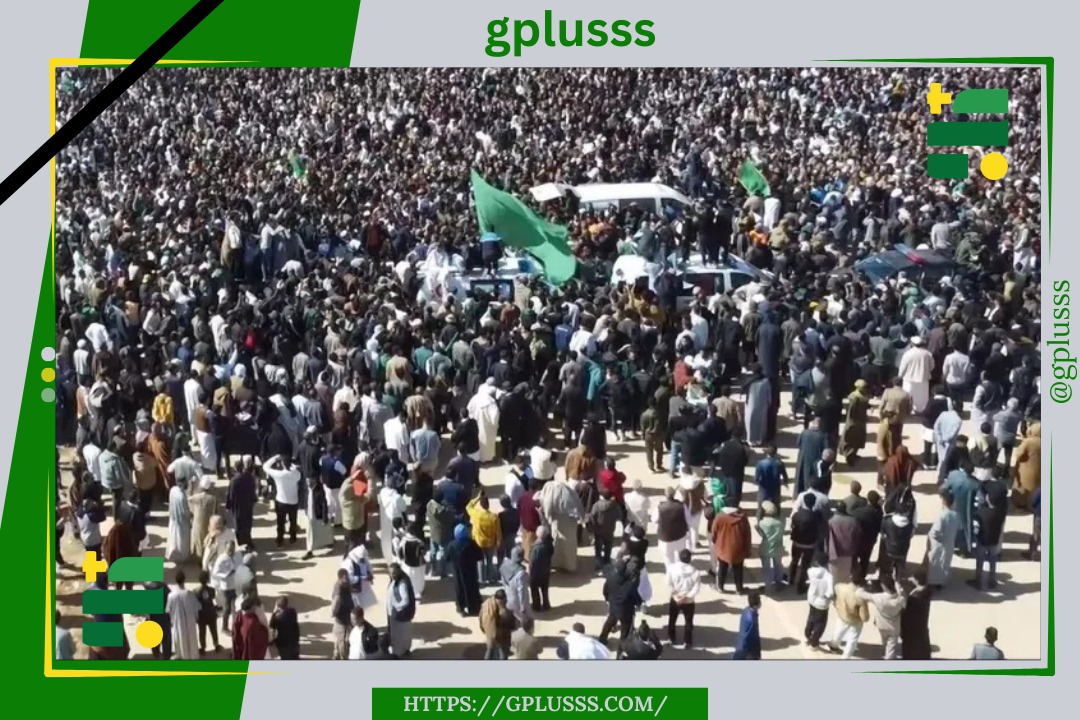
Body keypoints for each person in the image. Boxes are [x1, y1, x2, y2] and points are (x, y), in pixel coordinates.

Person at [858, 574, 907, 660]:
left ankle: (886, 653)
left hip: (881, 625)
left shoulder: (877, 597)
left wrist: (864, 585)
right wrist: (898, 587)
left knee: (885, 642)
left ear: (884, 586)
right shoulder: (900, 599)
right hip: (894, 627)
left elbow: (859, 593)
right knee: (891, 647)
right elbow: (904, 602)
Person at [599, 557, 641, 648]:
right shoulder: (629, 583)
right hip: (626, 611)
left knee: (609, 622)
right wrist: (638, 603)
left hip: (613, 607)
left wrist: (608, 599)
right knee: (625, 629)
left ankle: (602, 638)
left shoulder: (610, 579)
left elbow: (605, 591)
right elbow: (635, 597)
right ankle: (622, 647)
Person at [829, 571, 870, 659]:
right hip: (855, 620)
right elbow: (865, 617)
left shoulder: (840, 587)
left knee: (838, 631)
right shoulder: (861, 596)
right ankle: (846, 657)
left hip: (842, 615)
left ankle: (833, 645)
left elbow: (835, 587)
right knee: (852, 639)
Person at [711, 502, 751, 593]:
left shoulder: (720, 517)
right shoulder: (743, 517)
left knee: (722, 568)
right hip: (739, 547)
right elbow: (747, 534)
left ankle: (720, 587)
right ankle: (739, 589)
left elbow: (714, 532)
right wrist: (747, 548)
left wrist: (715, 541)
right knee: (738, 569)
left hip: (723, 547)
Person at [264, 454, 302, 547]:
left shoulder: (279, 475)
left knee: (280, 522)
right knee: (293, 521)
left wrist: (275, 458)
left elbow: (265, 466)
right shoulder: (296, 474)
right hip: (293, 501)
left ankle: (280, 539)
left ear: (282, 464)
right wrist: (292, 465)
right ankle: (293, 537)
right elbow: (297, 471)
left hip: (281, 501)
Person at [665, 548, 700, 648]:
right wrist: (687, 596)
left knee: (672, 619)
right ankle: (687, 641)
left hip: (675, 598)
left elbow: (668, 583)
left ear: (679, 558)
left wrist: (675, 594)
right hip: (689, 601)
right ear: (690, 559)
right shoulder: (695, 572)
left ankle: (671, 638)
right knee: (688, 621)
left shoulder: (671, 568)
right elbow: (696, 588)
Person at [927, 489, 962, 588]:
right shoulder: (956, 515)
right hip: (950, 543)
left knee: (936, 563)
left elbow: (935, 532)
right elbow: (960, 527)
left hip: (939, 544)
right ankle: (941, 582)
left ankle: (933, 583)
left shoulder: (942, 516)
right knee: (945, 563)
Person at [448, 523, 483, 616]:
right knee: (472, 589)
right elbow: (479, 556)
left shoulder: (452, 545)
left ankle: (461, 609)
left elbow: (447, 558)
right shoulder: (472, 544)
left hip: (458, 573)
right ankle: (474, 609)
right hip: (471, 572)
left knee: (459, 590)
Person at [165, 569, 201, 659]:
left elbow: (168, 610)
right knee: (191, 638)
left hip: (177, 621)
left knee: (180, 638)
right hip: (190, 620)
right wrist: (196, 616)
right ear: (184, 580)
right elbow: (197, 607)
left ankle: (182, 655)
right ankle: (192, 655)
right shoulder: (190, 594)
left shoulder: (171, 595)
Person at [385, 563, 416, 658]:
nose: (392, 575)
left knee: (399, 634)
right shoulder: (396, 581)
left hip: (399, 614)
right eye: (390, 573)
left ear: (398, 571)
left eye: (394, 573)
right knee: (403, 634)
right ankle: (404, 650)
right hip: (396, 613)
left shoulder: (402, 583)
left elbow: (405, 600)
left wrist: (396, 607)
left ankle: (398, 653)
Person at [900, 570, 933, 659]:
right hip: (922, 621)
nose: (911, 579)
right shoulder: (927, 590)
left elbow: (907, 610)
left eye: (913, 578)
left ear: (917, 580)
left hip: (912, 624)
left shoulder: (915, 597)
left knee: (911, 644)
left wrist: (902, 595)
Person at [804, 553, 834, 650]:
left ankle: (808, 635)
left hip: (812, 600)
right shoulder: (829, 576)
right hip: (822, 603)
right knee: (820, 623)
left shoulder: (811, 571)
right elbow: (830, 591)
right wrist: (826, 597)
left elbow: (810, 571)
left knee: (811, 617)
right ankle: (814, 642)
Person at [656, 487, 689, 567]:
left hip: (665, 537)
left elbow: (654, 519)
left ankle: (670, 572)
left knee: (668, 557)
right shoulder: (681, 506)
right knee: (680, 555)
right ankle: (680, 570)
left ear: (665, 495)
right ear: (674, 494)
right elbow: (687, 519)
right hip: (680, 535)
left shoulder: (660, 507)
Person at [756, 501, 785, 591]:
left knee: (766, 568)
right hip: (778, 547)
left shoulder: (762, 523)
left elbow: (761, 534)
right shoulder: (780, 523)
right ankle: (779, 583)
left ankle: (768, 586)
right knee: (778, 566)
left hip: (766, 547)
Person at [479, 589, 516, 660]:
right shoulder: (503, 611)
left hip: (488, 630)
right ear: (503, 600)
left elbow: (480, 617)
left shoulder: (486, 604)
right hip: (498, 633)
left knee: (490, 649)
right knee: (502, 650)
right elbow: (510, 625)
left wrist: (483, 628)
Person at [232, 596, 270, 660]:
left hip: (241, 642)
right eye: (254, 607)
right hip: (250, 646)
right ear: (250, 609)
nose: (255, 608)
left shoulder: (238, 614)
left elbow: (235, 629)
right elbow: (261, 635)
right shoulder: (252, 622)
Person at [164, 479, 192, 565]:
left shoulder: (173, 489)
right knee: (182, 541)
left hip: (173, 519)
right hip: (182, 522)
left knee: (173, 539)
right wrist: (190, 515)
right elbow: (185, 511)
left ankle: (172, 553)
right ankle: (182, 557)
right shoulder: (182, 496)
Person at [195, 570, 223, 654]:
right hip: (211, 612)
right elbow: (215, 601)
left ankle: (203, 647)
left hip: (201, 614)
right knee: (213, 630)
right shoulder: (211, 590)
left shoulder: (195, 591)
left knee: (202, 632)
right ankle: (216, 644)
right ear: (207, 579)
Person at [499, 546, 530, 621]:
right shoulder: (521, 573)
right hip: (517, 602)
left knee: (512, 619)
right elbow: (521, 591)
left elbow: (503, 582)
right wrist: (523, 607)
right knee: (522, 620)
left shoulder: (504, 565)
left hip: (509, 598)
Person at [529, 525, 554, 612]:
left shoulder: (537, 547)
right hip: (546, 570)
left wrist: (531, 573)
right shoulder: (549, 544)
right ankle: (546, 605)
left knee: (534, 589)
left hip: (537, 572)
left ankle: (536, 606)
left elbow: (533, 562)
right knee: (544, 589)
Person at [269, 595, 301, 660]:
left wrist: (274, 612)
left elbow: (271, 626)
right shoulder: (292, 612)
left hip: (283, 644)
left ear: (278, 607)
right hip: (294, 642)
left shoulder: (277, 618)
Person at [732, 591, 762, 660]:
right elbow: (752, 638)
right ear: (757, 603)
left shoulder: (746, 610)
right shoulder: (752, 619)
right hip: (747, 653)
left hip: (740, 647)